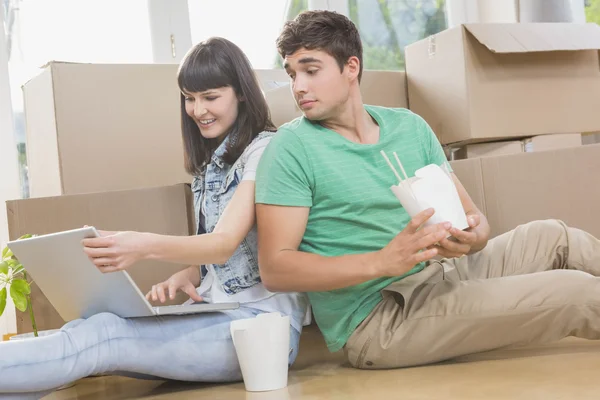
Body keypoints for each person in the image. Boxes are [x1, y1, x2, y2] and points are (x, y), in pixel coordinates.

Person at [254, 10, 600, 370]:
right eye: (292, 73)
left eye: (311, 70)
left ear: (351, 67)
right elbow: (276, 269)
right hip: (380, 319)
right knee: (573, 292)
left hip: (441, 273)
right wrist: (381, 261)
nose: (298, 86)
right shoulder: (291, 148)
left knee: (554, 236)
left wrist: (473, 237)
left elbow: (475, 221)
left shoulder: (409, 128)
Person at [0, 37, 307, 397]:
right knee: (92, 327)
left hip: (261, 331)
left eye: (210, 97)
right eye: (189, 98)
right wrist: (190, 273)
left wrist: (141, 245)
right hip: (218, 313)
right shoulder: (210, 165)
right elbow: (230, 253)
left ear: (241, 93)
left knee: (103, 337)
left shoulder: (265, 151)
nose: (197, 110)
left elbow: (222, 245)